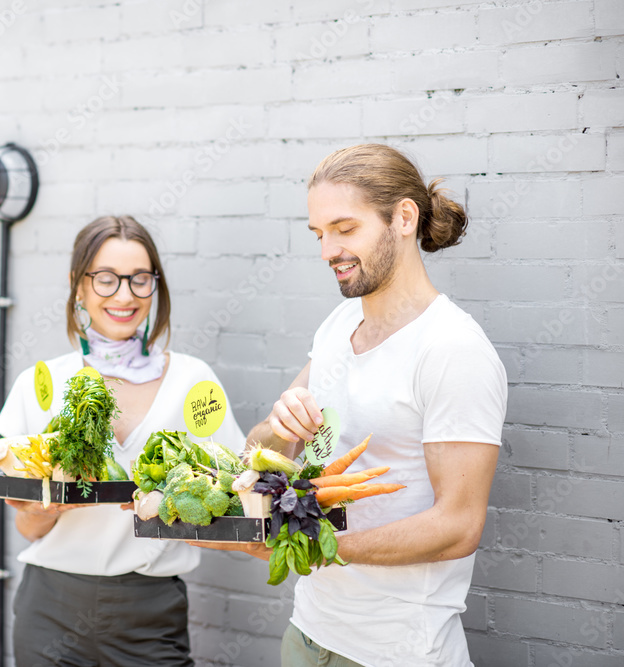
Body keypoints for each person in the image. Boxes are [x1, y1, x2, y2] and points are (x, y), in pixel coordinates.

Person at [203, 144, 508, 666]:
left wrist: (309, 545)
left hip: (396, 652)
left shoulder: (452, 349)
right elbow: (256, 450)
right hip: (308, 635)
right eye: (319, 234)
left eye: (344, 229)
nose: (327, 251)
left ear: (404, 217)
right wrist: (280, 431)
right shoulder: (338, 328)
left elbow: (458, 526)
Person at [0, 215, 245, 667]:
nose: (125, 296)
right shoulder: (42, 382)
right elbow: (26, 527)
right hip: (51, 607)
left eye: (140, 279)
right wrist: (46, 507)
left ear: (155, 285)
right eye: (106, 279)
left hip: (150, 612)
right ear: (79, 285)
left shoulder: (193, 382)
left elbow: (232, 494)